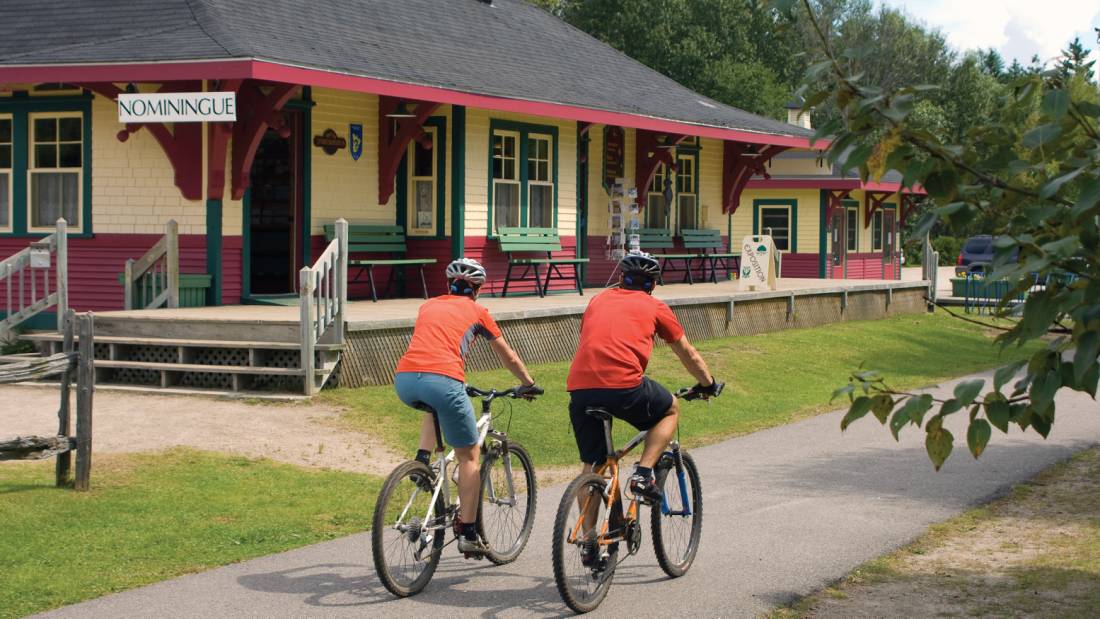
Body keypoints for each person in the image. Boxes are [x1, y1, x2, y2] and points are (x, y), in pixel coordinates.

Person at [394, 258, 541, 556]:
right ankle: (470, 533)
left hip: (405, 379)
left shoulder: (428, 305)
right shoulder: (478, 312)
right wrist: (527, 382)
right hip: (444, 380)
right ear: (476, 289)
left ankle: (422, 463)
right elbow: (508, 356)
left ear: (449, 285)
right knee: (469, 457)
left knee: (432, 406)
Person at [566, 251, 719, 502]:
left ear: (621, 277)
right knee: (670, 408)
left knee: (593, 467)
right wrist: (707, 383)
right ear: (654, 284)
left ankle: (589, 538)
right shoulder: (656, 306)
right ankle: (643, 474)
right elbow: (687, 353)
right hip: (624, 386)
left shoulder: (597, 299)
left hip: (580, 389)